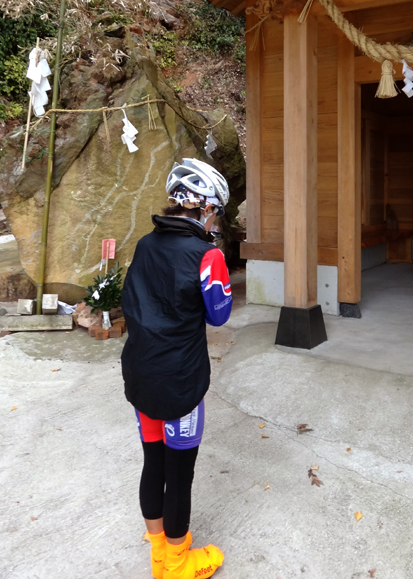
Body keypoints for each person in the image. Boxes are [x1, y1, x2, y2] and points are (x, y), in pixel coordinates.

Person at [121, 158, 233, 579]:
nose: (216, 220)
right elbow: (218, 314)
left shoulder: (146, 244)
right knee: (179, 474)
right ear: (205, 208)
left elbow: (134, 302)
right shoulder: (207, 255)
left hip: (141, 373)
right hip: (180, 382)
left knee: (153, 462)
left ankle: (158, 557)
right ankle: (179, 563)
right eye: (216, 211)